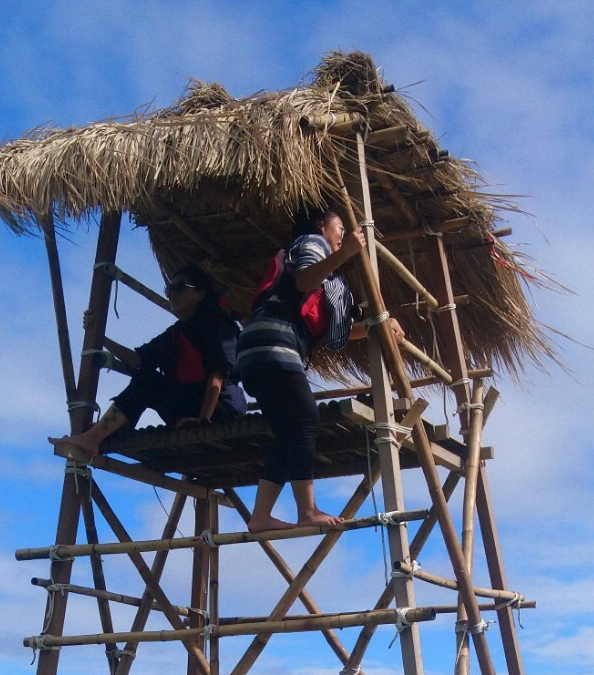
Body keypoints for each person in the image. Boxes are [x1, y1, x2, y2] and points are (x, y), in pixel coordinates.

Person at [236, 208, 365, 532]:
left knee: (290, 432)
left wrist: (379, 327)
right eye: (339, 227)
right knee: (306, 419)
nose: (343, 234)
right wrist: (345, 252)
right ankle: (307, 510)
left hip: (257, 347)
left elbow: (334, 332)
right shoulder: (313, 242)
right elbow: (304, 278)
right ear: (322, 226)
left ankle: (260, 516)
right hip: (274, 342)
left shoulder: (327, 275)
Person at [57, 266, 246, 463]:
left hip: (221, 409)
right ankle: (101, 434)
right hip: (188, 407)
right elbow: (137, 360)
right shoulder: (173, 334)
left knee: (148, 380)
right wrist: (97, 335)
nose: (172, 293)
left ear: (200, 294)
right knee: (146, 378)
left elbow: (218, 375)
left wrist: (203, 420)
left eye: (180, 287)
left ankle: (92, 438)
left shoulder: (216, 325)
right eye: (169, 289)